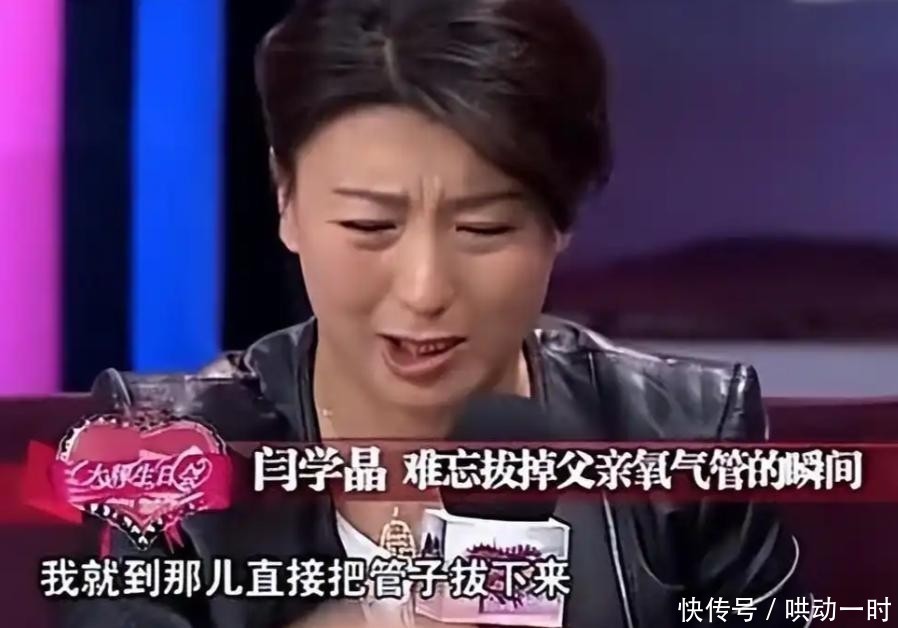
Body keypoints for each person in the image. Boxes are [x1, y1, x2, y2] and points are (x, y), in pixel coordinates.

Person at [62, 0, 808, 626]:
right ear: (286, 199)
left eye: (484, 228)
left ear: (560, 221)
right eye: (370, 226)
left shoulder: (686, 439)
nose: (423, 290)